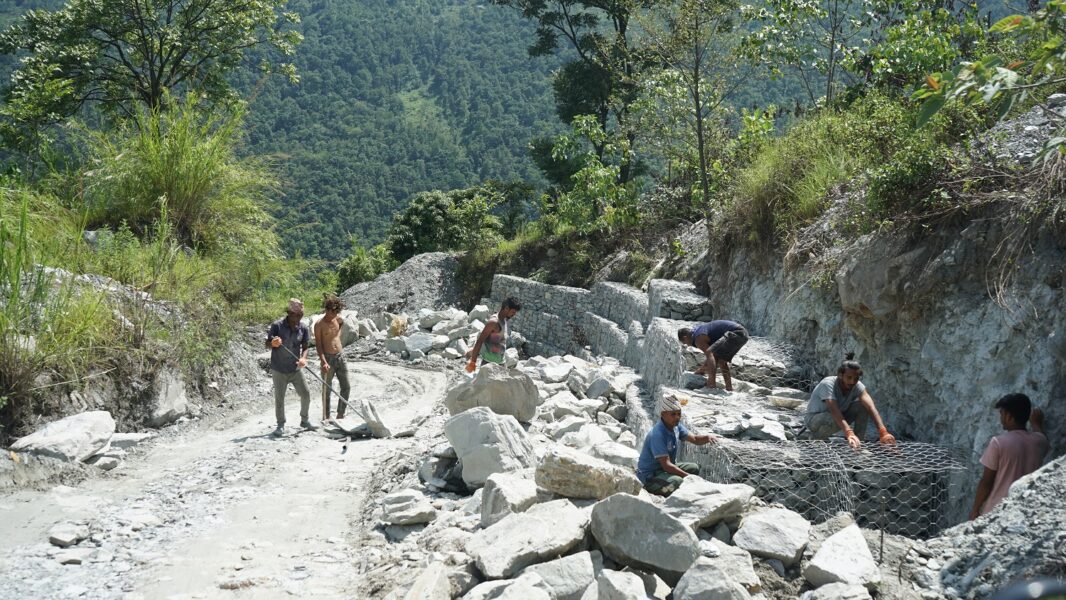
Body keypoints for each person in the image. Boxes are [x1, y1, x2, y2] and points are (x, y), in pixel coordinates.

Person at [969, 393, 1048, 519]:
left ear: (1008, 416)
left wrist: (975, 510)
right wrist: (1036, 423)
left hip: (996, 511)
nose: (1001, 418)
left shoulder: (998, 443)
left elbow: (986, 482)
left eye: (1001, 414)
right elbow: (1041, 435)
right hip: (1025, 511)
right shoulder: (1040, 442)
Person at [804, 353, 896, 449]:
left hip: (837, 419)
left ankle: (857, 444)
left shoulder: (857, 386)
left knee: (862, 406)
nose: (852, 381)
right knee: (832, 417)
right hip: (815, 420)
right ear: (840, 375)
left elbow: (871, 407)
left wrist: (883, 432)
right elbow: (834, 410)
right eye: (849, 378)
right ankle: (815, 438)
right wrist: (849, 432)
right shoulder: (827, 384)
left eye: (856, 379)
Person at [635, 393, 717, 496]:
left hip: (664, 469)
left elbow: (695, 439)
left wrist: (707, 438)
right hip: (650, 476)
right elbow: (666, 466)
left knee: (694, 468)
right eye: (673, 414)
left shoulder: (676, 426)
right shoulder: (657, 435)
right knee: (677, 481)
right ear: (663, 415)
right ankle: (654, 490)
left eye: (679, 414)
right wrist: (689, 477)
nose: (677, 417)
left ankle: (684, 491)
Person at [266, 298, 313, 436]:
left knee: (306, 393)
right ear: (289, 313)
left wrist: (304, 358)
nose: (299, 318)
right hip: (279, 368)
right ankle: (280, 425)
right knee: (280, 398)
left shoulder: (303, 328)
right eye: (296, 315)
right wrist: (273, 343)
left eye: (301, 315)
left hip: (295, 368)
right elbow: (267, 343)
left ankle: (304, 420)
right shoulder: (277, 326)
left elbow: (305, 346)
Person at [677, 320, 749, 391]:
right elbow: (713, 356)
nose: (687, 345)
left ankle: (711, 384)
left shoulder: (698, 338)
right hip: (743, 334)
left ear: (685, 337)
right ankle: (729, 388)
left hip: (736, 333)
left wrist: (710, 380)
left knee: (710, 353)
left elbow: (710, 355)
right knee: (721, 360)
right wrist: (701, 370)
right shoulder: (698, 332)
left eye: (685, 343)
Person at [314, 294, 351, 420]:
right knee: (327, 389)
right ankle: (326, 416)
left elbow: (341, 324)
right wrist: (323, 361)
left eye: (336, 313)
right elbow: (318, 346)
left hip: (341, 357)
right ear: (326, 310)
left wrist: (338, 335)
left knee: (346, 386)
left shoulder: (338, 319)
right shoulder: (319, 324)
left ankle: (340, 414)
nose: (334, 316)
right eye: (332, 313)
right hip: (328, 359)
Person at [466, 297, 521, 371]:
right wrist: (473, 362)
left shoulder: (505, 320)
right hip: (488, 364)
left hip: (501, 363)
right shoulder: (493, 323)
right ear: (507, 308)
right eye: (513, 312)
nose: (514, 314)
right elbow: (480, 341)